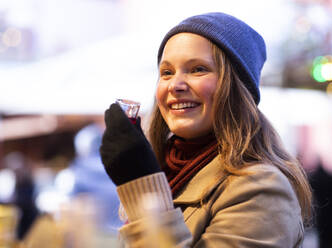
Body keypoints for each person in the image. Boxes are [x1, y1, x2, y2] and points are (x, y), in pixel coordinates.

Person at [99, 12, 312, 247]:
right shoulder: (169, 173)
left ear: (236, 88)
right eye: (167, 72)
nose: (176, 85)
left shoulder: (262, 189)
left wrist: (142, 190)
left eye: (198, 69)